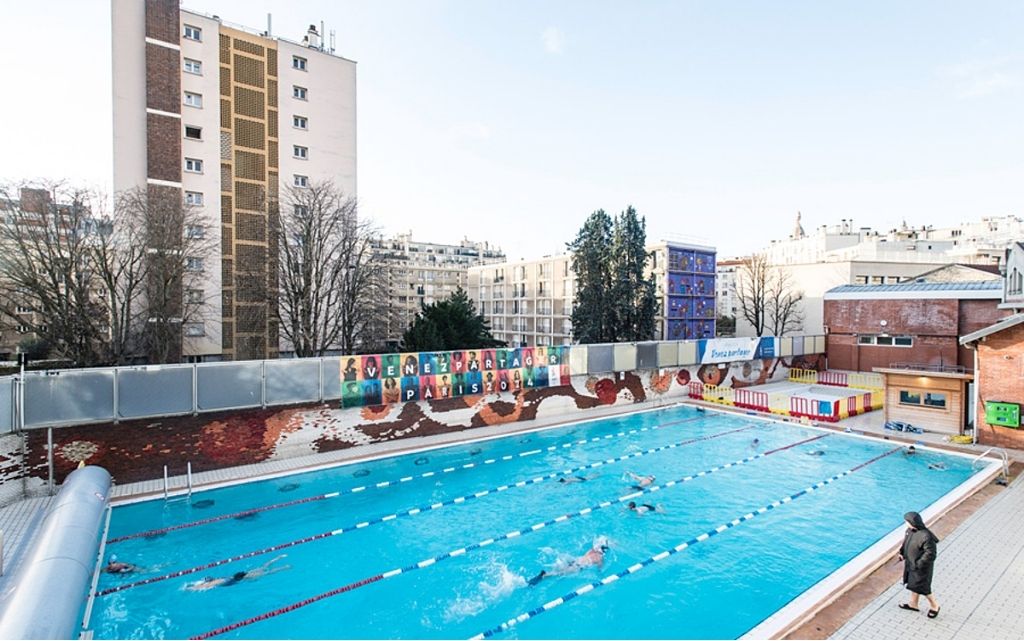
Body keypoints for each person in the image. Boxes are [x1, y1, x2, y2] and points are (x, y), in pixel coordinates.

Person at [897, 512, 940, 618]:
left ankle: (935, 606)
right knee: (913, 584)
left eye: (907, 521)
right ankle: (913, 604)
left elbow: (931, 554)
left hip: (921, 568)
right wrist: (902, 553)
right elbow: (906, 543)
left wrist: (919, 564)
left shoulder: (926, 536)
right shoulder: (910, 531)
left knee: (923, 588)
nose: (906, 523)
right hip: (911, 564)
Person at [527, 538, 610, 586]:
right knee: (559, 574)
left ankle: (544, 574)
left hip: (575, 560)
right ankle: (544, 576)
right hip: (578, 567)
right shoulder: (600, 558)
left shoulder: (591, 551)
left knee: (559, 569)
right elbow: (599, 570)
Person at [185, 555, 290, 592]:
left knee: (267, 572)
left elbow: (206, 585)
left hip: (241, 577)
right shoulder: (216, 580)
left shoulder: (216, 582)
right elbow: (205, 583)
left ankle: (283, 566)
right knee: (263, 568)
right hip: (237, 575)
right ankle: (277, 558)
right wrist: (193, 586)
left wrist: (192, 588)